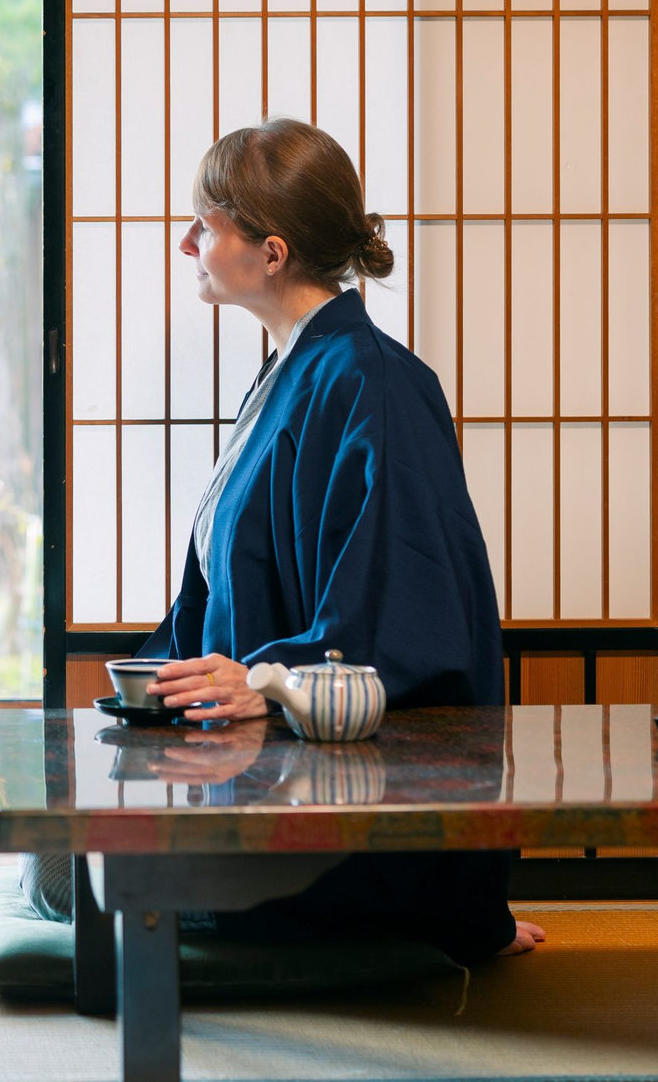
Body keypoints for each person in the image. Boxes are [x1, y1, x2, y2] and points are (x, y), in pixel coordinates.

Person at [133, 116, 541, 961]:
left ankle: (426, 913)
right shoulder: (294, 372)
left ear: (270, 251)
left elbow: (409, 614)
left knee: (73, 879)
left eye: (204, 223)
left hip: (329, 810)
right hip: (252, 772)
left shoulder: (375, 383)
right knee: (60, 864)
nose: (185, 242)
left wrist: (269, 678)